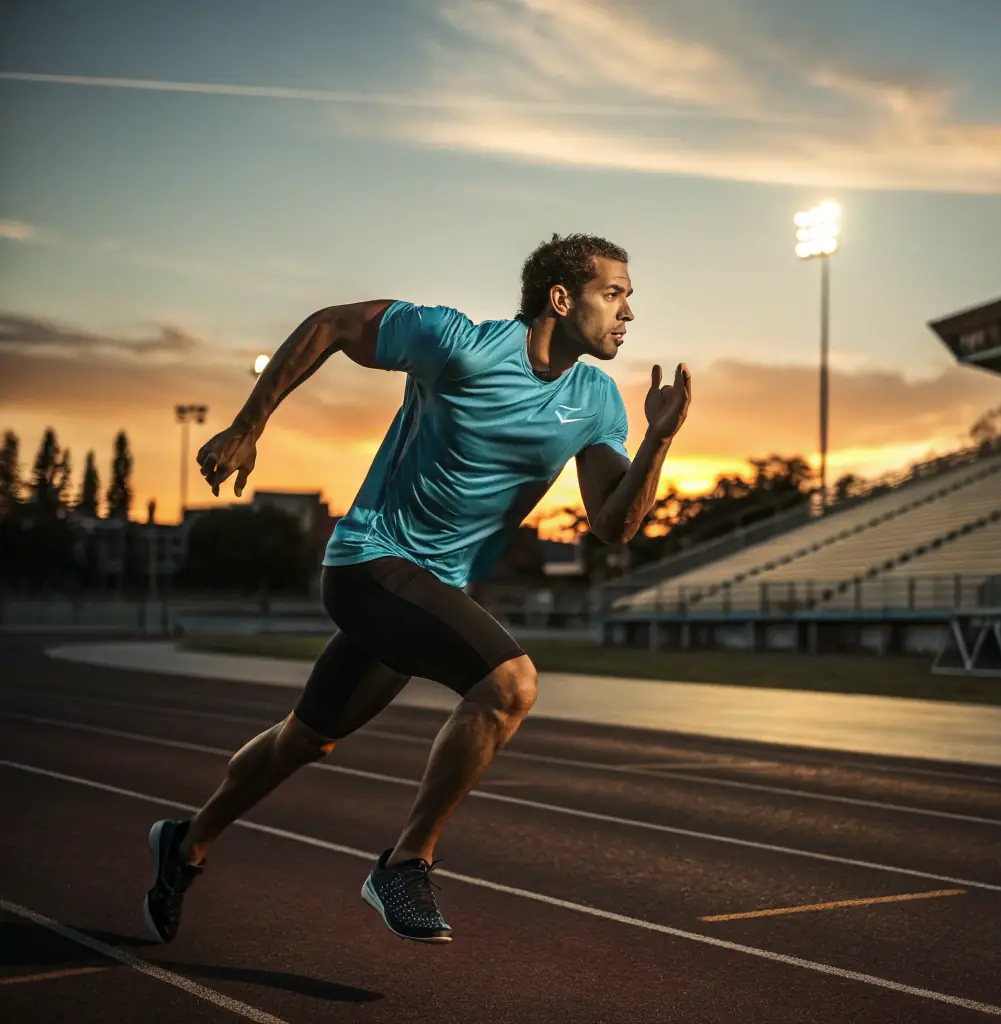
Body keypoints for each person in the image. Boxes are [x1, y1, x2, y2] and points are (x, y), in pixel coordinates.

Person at [142, 233, 690, 944]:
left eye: (629, 299)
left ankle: (184, 843)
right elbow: (334, 324)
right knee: (509, 686)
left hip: (428, 588)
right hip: (370, 562)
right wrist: (250, 426)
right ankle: (406, 862)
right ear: (562, 298)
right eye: (614, 294)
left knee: (305, 741)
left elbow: (614, 526)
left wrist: (659, 441)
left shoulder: (594, 399)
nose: (628, 313)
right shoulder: (457, 342)